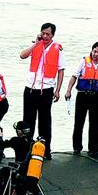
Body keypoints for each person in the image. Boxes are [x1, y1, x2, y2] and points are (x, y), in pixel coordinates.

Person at [20, 22, 65, 159]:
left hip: (46, 90)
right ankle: (26, 150)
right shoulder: (36, 44)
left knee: (44, 121)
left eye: (48, 34)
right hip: (30, 88)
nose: (45, 36)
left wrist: (58, 90)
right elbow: (22, 55)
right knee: (28, 121)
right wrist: (35, 43)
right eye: (43, 33)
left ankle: (45, 151)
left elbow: (61, 70)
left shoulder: (58, 49)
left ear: (53, 35)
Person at [65, 42, 98, 157]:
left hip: (97, 97)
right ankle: (77, 148)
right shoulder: (83, 62)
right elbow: (74, 76)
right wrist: (68, 90)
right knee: (79, 122)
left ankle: (93, 148)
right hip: (83, 95)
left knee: (95, 124)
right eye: (94, 51)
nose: (96, 54)